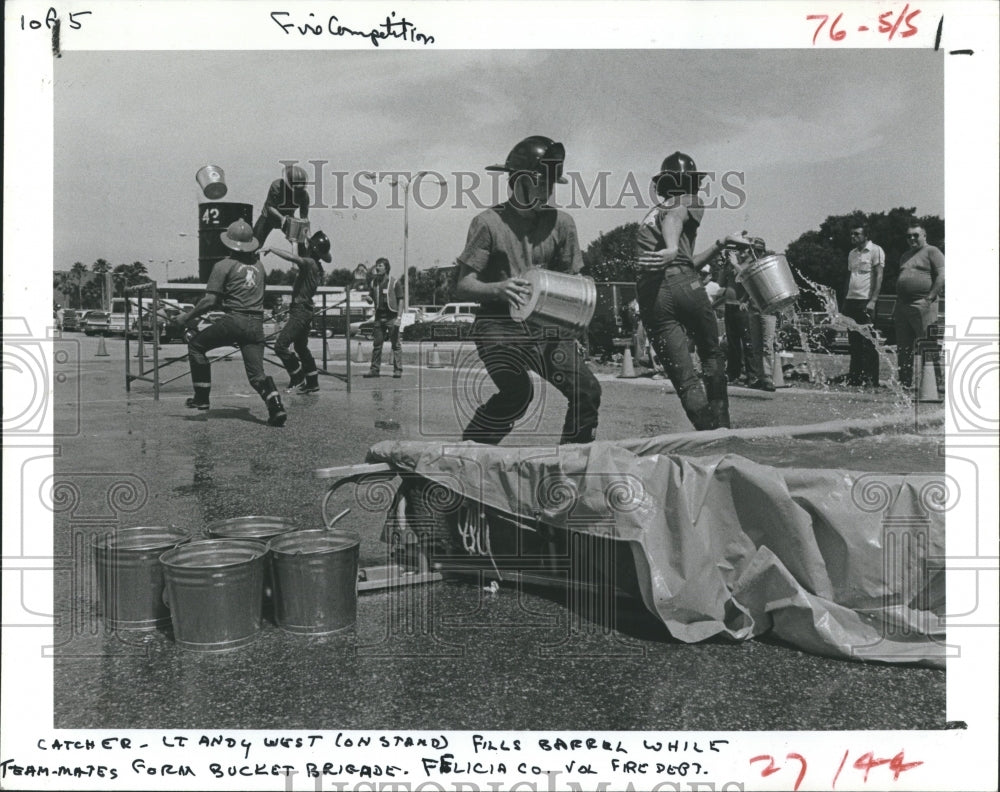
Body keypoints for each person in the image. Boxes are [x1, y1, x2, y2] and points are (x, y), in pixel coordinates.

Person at [453, 134, 601, 445]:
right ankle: (467, 458)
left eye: (551, 183)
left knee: (586, 389)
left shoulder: (562, 223)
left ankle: (572, 467)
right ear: (519, 180)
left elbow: (572, 282)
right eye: (542, 181)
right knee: (518, 393)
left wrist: (577, 331)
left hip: (544, 325)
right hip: (497, 323)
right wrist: (499, 289)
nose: (548, 190)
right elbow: (463, 285)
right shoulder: (488, 223)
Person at [635, 151, 750, 430]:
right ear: (691, 182)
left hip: (652, 296)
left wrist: (719, 243)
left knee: (684, 380)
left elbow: (686, 260)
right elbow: (676, 217)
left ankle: (706, 434)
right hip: (686, 285)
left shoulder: (651, 214)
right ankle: (723, 431)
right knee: (711, 355)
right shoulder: (687, 200)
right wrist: (672, 247)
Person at [171, 219, 287, 426]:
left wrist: (185, 317)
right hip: (256, 325)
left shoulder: (223, 265)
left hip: (235, 321)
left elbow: (210, 300)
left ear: (229, 243)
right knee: (256, 375)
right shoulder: (259, 266)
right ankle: (276, 407)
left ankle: (201, 398)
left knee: (196, 346)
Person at [261, 230, 332, 393]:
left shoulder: (309, 263)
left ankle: (298, 377)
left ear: (312, 249)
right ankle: (313, 381)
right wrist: (305, 238)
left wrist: (272, 248)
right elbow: (325, 255)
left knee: (280, 346)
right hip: (306, 310)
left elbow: (293, 258)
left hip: (300, 310)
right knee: (301, 347)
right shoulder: (317, 264)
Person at [893, 223, 944, 389]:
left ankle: (935, 386)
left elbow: (942, 274)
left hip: (923, 304)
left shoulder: (932, 251)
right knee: (903, 347)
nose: (912, 238)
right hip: (903, 305)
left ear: (924, 235)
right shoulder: (905, 255)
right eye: (909, 236)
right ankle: (905, 384)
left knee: (928, 345)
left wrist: (929, 298)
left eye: (916, 235)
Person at [841, 224, 885, 387]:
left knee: (869, 342)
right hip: (851, 300)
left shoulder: (876, 250)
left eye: (857, 234)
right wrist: (844, 300)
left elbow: (879, 276)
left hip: (865, 300)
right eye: (851, 234)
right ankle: (855, 377)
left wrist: (873, 300)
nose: (853, 236)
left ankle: (870, 379)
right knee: (854, 342)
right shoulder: (852, 253)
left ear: (866, 236)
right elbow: (849, 276)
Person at [252, 164, 311, 251]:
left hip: (288, 219)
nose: (298, 192)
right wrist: (281, 218)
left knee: (301, 247)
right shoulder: (276, 186)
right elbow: (270, 207)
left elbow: (304, 218)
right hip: (269, 217)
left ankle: (302, 262)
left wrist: (308, 235)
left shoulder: (304, 195)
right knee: (255, 244)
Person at [363, 257, 405, 379]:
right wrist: (369, 299)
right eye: (377, 265)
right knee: (377, 345)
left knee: (396, 345)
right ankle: (374, 370)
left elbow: (400, 300)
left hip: (391, 317)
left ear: (386, 268)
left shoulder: (395, 282)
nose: (377, 267)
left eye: (380, 265)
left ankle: (398, 370)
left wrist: (399, 318)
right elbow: (371, 299)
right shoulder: (374, 283)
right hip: (378, 317)